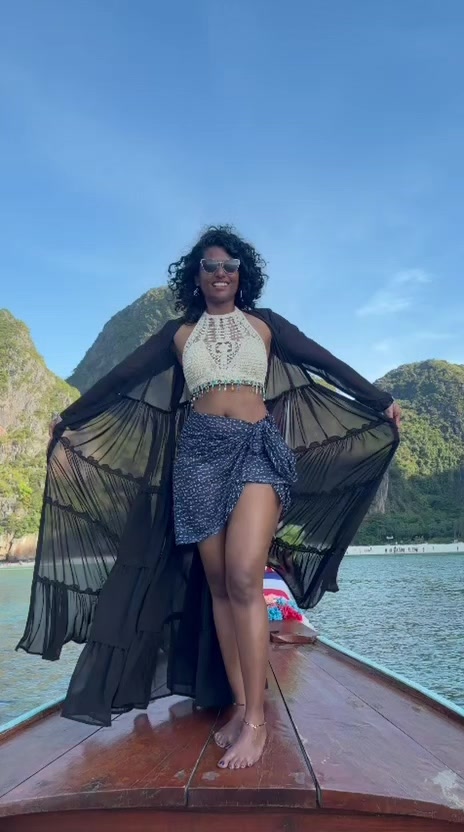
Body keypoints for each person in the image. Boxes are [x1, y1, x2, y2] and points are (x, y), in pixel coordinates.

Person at [19, 225, 400, 770]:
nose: (220, 274)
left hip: (255, 448)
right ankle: (241, 703)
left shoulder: (265, 326)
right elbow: (121, 377)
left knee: (244, 576)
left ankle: (257, 722)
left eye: (229, 266)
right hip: (198, 457)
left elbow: (324, 361)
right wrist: (70, 416)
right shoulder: (179, 334)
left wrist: (379, 398)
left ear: (242, 275)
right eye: (210, 266)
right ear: (196, 277)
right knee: (221, 587)